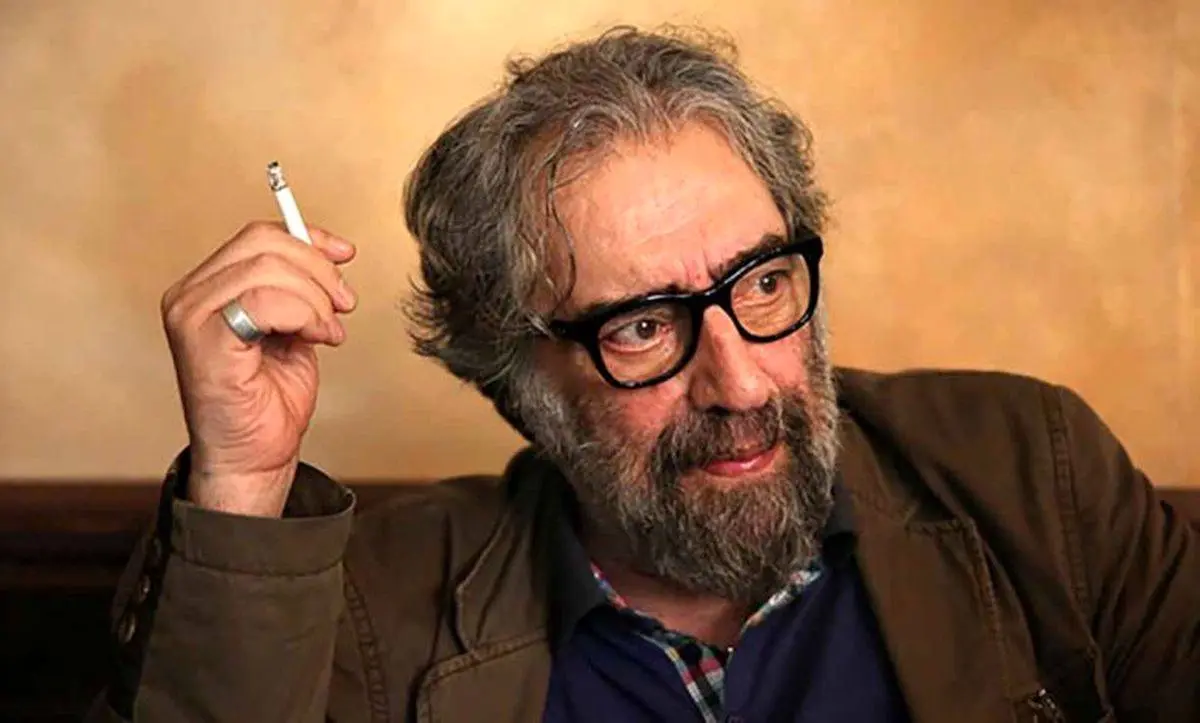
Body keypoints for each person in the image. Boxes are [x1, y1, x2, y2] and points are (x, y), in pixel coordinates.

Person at [88, 26, 1198, 723]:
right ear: (517, 375)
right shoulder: (370, 613)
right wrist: (240, 485)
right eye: (643, 328)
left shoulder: (1037, 473)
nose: (741, 383)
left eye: (763, 283)